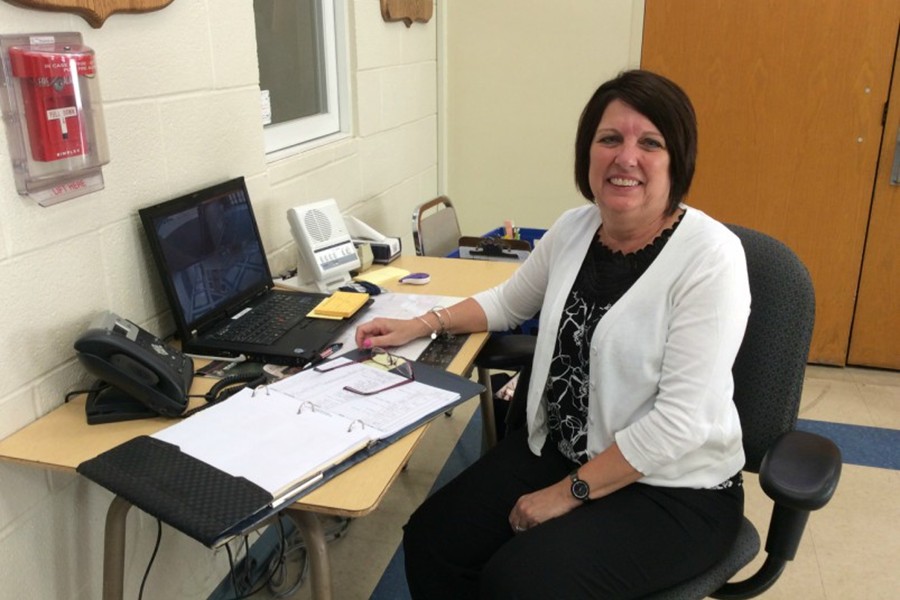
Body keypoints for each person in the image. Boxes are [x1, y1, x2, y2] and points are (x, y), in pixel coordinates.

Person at [354, 69, 751, 599]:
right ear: (587, 153)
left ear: (677, 161)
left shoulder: (711, 259)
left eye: (650, 143)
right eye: (609, 139)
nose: (625, 157)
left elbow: (679, 425)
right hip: (562, 447)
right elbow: (507, 301)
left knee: (520, 581)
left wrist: (570, 493)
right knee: (433, 538)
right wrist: (421, 324)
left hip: (673, 488)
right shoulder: (574, 229)